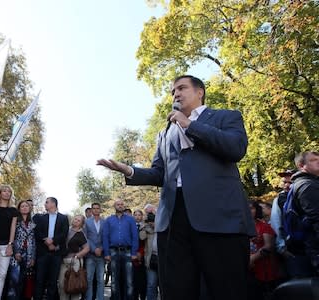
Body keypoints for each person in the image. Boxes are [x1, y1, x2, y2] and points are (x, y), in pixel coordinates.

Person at [98, 75, 255, 300]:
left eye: (181, 88)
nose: (176, 94)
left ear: (200, 92)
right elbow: (159, 173)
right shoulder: (165, 133)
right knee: (176, 290)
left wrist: (190, 125)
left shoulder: (225, 117)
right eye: (173, 91)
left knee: (226, 289)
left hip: (219, 218)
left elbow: (236, 148)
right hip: (173, 220)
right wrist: (129, 171)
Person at [33, 197, 69, 300]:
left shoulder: (63, 218)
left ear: (53, 204)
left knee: (53, 281)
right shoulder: (41, 218)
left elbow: (64, 233)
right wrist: (46, 241)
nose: (45, 204)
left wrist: (53, 241)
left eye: (47, 202)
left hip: (56, 254)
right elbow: (37, 232)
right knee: (39, 280)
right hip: (42, 253)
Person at [102, 199, 139, 300]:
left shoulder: (130, 219)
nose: (120, 206)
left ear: (124, 206)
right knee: (114, 280)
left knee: (129, 280)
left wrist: (134, 252)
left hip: (127, 252)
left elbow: (135, 236)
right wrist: (106, 253)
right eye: (118, 204)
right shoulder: (108, 220)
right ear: (115, 206)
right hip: (113, 252)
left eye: (122, 204)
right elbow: (105, 237)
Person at [0, 184, 19, 300]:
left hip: (6, 246)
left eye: (8, 191)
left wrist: (10, 245)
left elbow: (13, 228)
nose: (6, 193)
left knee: (2, 275)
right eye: (4, 191)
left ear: (11, 194)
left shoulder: (13, 210)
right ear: (0, 193)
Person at [290, 151, 319, 274]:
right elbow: (317, 218)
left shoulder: (311, 183)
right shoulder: (306, 186)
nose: (318, 161)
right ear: (302, 166)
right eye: (313, 160)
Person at [248, 201, 281, 300]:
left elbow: (268, 247)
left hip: (265, 270)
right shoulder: (241, 227)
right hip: (249, 271)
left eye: (251, 208)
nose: (249, 211)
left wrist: (252, 258)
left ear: (257, 210)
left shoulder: (264, 226)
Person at [7, 200, 36, 300]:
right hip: (16, 254)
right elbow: (13, 237)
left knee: (23, 282)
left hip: (28, 255)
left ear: (29, 208)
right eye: (22, 206)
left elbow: (33, 242)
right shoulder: (16, 221)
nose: (24, 208)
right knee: (14, 281)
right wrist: (16, 252)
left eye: (26, 206)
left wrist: (33, 258)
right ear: (19, 209)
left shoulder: (32, 223)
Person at [58, 215, 90, 300]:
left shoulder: (81, 234)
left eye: (78, 220)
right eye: (75, 218)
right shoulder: (66, 230)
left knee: (74, 285)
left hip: (75, 262)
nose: (76, 221)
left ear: (81, 224)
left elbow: (87, 248)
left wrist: (77, 255)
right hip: (63, 261)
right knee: (62, 285)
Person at [85, 202, 106, 300]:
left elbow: (106, 237)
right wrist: (94, 249)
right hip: (90, 255)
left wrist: (101, 248)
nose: (96, 210)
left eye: (98, 208)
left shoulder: (105, 222)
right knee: (89, 279)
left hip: (101, 255)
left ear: (100, 209)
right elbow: (86, 238)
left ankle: (100, 298)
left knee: (101, 280)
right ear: (91, 210)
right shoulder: (86, 222)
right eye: (94, 208)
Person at [140, 208, 159, 300]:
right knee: (151, 285)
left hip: (163, 259)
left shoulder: (162, 226)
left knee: (164, 285)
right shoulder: (147, 228)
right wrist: (144, 224)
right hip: (151, 258)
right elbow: (142, 237)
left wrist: (157, 225)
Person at [132, 210, 146, 300]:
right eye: (135, 215)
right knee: (134, 279)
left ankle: (143, 296)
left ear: (142, 216)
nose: (137, 217)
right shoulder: (130, 227)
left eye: (139, 215)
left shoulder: (146, 226)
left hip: (144, 255)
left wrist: (141, 252)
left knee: (143, 279)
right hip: (133, 256)